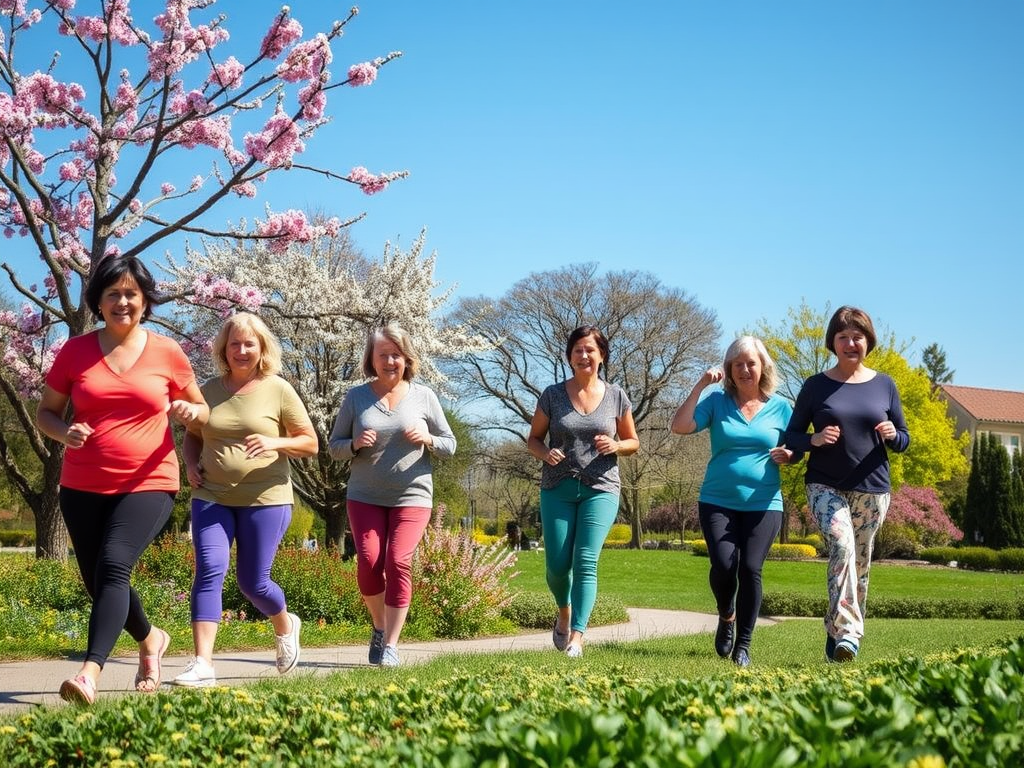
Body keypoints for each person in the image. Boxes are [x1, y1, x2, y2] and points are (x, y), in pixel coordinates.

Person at [36, 255, 208, 705]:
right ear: (98, 301)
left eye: (132, 293)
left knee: (113, 565)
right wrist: (64, 431)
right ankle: (151, 640)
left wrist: (191, 412)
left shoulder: (168, 352)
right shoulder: (74, 351)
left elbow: (202, 409)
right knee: (98, 579)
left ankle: (89, 673)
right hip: (81, 484)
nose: (123, 301)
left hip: (149, 480)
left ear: (145, 300)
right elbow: (46, 413)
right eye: (113, 293)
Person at [172, 313, 317, 687]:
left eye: (249, 343)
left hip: (265, 498)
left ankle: (285, 624)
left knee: (253, 583)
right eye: (234, 344)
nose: (241, 350)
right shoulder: (207, 390)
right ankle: (203, 663)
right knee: (209, 569)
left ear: (262, 348)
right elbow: (194, 435)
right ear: (223, 349)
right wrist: (189, 463)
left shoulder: (279, 389)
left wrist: (275, 442)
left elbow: (309, 442)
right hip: (211, 496)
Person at [784, 306, 910, 662]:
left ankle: (838, 631)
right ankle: (850, 634)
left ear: (868, 342)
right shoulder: (815, 386)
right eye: (843, 337)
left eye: (857, 336)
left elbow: (904, 438)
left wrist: (892, 434)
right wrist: (814, 439)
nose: (850, 343)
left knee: (861, 563)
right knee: (842, 548)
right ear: (833, 343)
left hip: (873, 488)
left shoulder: (885, 385)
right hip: (825, 486)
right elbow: (792, 436)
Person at [328, 323, 456, 667]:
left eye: (396, 355)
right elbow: (334, 447)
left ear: (406, 358)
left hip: (412, 496)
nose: (390, 361)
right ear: (371, 358)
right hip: (365, 495)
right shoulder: (356, 398)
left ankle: (391, 646)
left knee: (398, 560)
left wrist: (428, 438)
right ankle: (380, 626)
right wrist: (354, 444)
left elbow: (449, 444)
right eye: (383, 355)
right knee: (369, 562)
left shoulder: (424, 396)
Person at [670, 336, 799, 667]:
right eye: (737, 364)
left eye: (751, 363)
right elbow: (680, 426)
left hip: (765, 503)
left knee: (751, 568)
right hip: (717, 500)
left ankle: (743, 644)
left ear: (763, 367)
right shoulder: (717, 402)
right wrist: (700, 384)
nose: (744, 369)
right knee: (724, 567)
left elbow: (798, 446)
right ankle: (726, 613)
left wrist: (790, 455)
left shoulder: (782, 407)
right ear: (729, 369)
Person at [527, 325, 640, 658]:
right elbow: (533, 439)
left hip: (601, 487)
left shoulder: (617, 395)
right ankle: (563, 611)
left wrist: (617, 445)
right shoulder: (552, 394)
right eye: (578, 350)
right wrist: (546, 453)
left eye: (590, 349)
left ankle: (577, 636)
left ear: (601, 355)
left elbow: (634, 442)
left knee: (586, 560)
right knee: (558, 565)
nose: (584, 355)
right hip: (557, 486)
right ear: (570, 356)